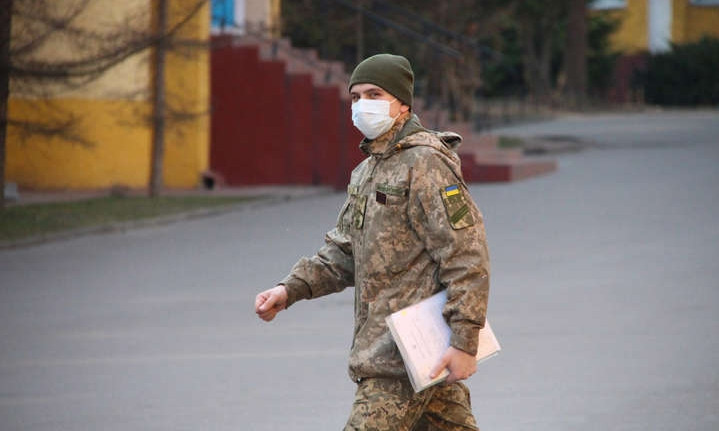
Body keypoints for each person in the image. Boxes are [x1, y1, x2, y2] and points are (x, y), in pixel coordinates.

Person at [255, 53, 490, 431]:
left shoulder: (425, 163)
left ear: (403, 103)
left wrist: (465, 342)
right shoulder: (366, 171)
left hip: (403, 357)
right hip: (405, 352)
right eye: (356, 96)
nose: (363, 104)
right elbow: (344, 251)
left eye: (375, 94)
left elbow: (466, 255)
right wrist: (290, 288)